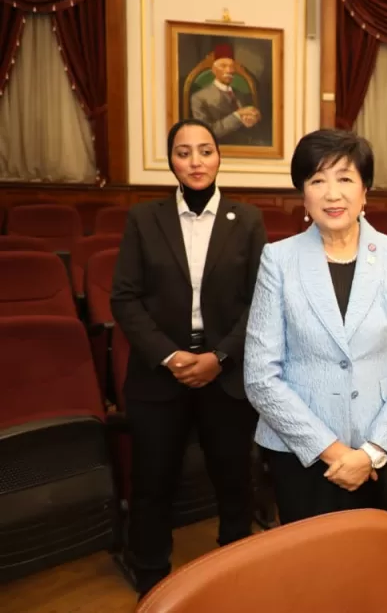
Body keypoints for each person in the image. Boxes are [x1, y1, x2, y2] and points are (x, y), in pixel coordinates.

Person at [110, 118, 267, 597]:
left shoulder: (247, 219)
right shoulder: (144, 219)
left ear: (219, 157)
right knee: (153, 481)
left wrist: (220, 356)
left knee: (234, 479)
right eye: (184, 152)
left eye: (205, 150)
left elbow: (261, 301)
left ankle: (235, 570)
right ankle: (151, 577)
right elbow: (124, 298)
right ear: (171, 161)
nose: (196, 161)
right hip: (161, 375)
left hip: (226, 374)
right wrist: (169, 355)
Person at [244, 129, 387, 527]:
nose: (332, 194)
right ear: (303, 194)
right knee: (313, 562)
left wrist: (371, 452)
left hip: (385, 452)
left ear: (365, 191)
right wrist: (332, 452)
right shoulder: (278, 260)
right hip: (304, 456)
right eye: (317, 180)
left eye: (345, 178)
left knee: (383, 555)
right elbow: (261, 377)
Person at [190, 43, 261, 144]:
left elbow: (253, 128)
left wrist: (254, 118)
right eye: (223, 66)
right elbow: (205, 133)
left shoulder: (241, 94)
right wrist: (237, 115)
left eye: (232, 66)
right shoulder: (199, 98)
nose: (229, 70)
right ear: (214, 70)